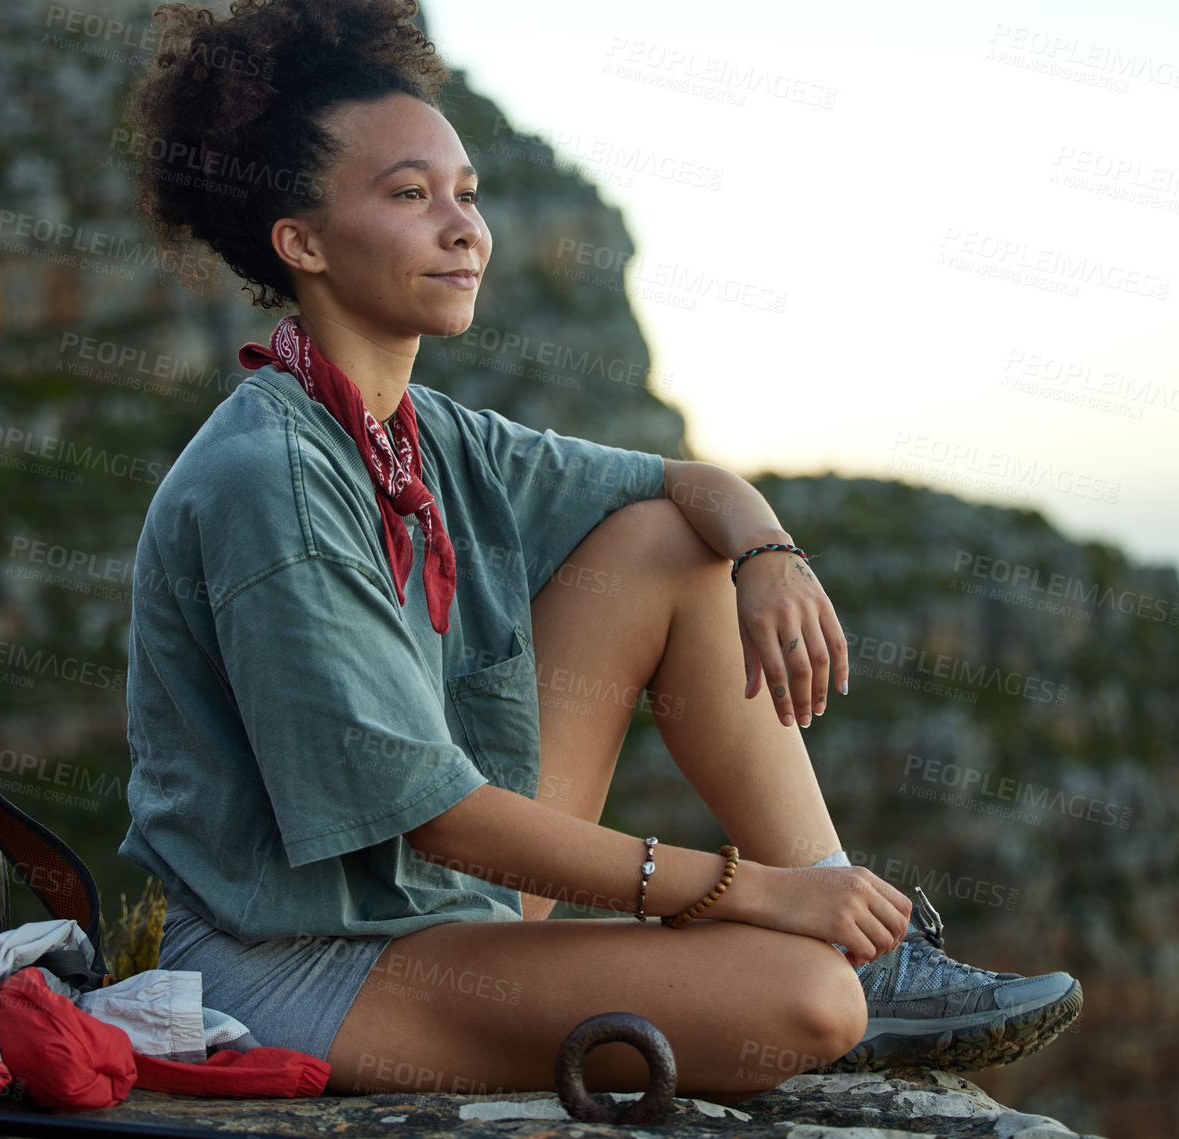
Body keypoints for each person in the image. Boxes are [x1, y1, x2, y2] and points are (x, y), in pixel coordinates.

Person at [116, 0, 1080, 1100]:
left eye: (466, 194)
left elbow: (682, 487)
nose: (462, 226)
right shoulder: (271, 477)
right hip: (294, 961)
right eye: (408, 195)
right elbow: (434, 811)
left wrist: (767, 549)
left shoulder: (424, 435)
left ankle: (880, 951)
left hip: (434, 906)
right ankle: (842, 958)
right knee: (805, 1000)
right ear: (302, 242)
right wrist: (745, 890)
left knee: (671, 545)